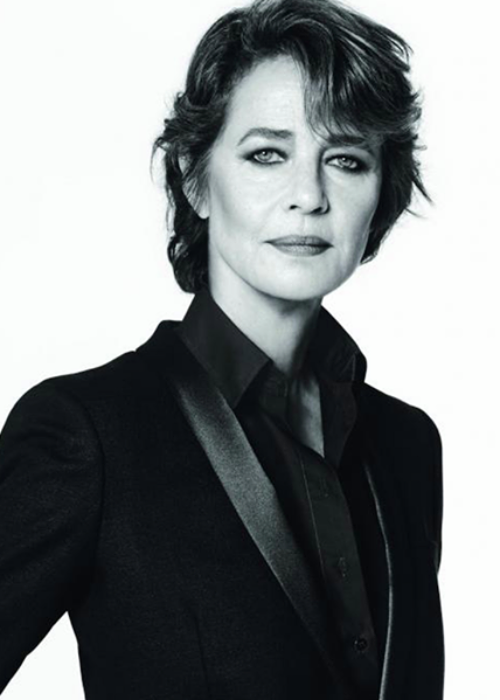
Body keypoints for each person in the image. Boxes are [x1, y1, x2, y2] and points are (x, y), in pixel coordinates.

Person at [0, 0, 444, 698]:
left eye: (345, 159)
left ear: (379, 190)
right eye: (268, 153)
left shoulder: (408, 445)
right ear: (195, 177)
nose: (309, 195)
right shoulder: (88, 433)